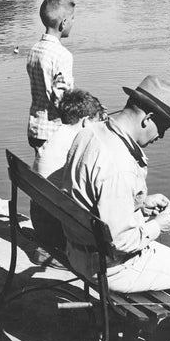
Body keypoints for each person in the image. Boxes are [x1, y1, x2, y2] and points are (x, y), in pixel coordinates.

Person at [60, 76, 170, 341]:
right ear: (147, 118)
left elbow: (92, 193)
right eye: (162, 128)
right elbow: (121, 242)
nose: (160, 137)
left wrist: (139, 203)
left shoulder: (91, 132)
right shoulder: (120, 165)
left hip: (78, 250)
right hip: (111, 268)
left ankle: (159, 334)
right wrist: (159, 226)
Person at [31, 88, 105, 252]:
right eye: (97, 122)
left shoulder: (57, 133)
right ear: (86, 122)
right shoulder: (77, 142)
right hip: (57, 229)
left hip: (41, 216)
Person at [27, 0, 75, 161]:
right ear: (63, 23)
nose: (73, 23)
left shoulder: (34, 50)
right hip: (54, 132)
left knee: (41, 168)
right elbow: (62, 99)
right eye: (72, 18)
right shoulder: (62, 55)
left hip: (35, 128)